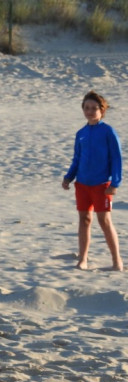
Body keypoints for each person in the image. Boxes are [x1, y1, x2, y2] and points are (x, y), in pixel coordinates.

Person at [62, 90, 123, 271]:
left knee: (104, 221)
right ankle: (83, 259)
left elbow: (117, 159)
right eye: (86, 108)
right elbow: (77, 158)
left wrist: (115, 183)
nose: (90, 111)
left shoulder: (108, 132)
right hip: (82, 184)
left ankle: (117, 261)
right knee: (84, 220)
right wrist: (68, 177)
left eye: (94, 108)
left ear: (102, 110)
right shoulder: (81, 133)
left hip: (102, 184)